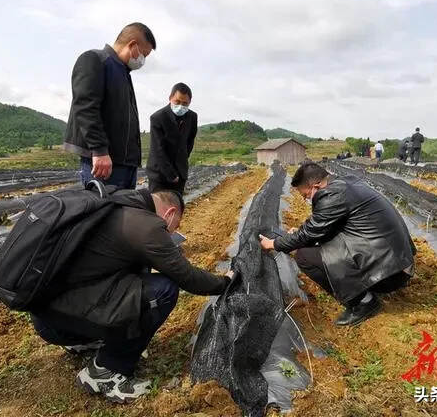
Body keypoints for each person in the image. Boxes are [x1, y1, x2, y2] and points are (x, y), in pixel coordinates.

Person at [29, 189, 233, 403]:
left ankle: (82, 338)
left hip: (46, 317)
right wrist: (225, 282)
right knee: (164, 290)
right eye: (175, 226)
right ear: (170, 213)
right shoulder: (147, 227)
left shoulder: (119, 203)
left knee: (135, 279)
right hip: (62, 317)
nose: (172, 232)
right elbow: (188, 278)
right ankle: (106, 371)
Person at [259, 163, 415, 326]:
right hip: (399, 263)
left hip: (390, 275)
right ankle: (363, 290)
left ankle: (364, 302)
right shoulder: (347, 184)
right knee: (315, 244)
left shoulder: (332, 195)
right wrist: (302, 235)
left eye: (306, 195)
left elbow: (309, 234)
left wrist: (274, 243)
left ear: (316, 185)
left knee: (304, 256)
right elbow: (321, 229)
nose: (306, 199)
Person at [64, 23, 157, 189]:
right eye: (144, 54)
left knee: (125, 212)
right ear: (132, 45)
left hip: (125, 165)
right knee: (105, 212)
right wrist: (99, 150)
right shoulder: (95, 60)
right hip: (105, 163)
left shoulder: (122, 72)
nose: (143, 60)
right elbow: (86, 107)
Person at [146, 83, 198, 194]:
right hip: (159, 174)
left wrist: (181, 161)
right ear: (170, 98)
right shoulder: (158, 117)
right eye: (177, 102)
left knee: (177, 207)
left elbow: (189, 142)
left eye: (185, 104)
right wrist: (171, 174)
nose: (181, 106)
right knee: (158, 208)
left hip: (180, 172)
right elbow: (158, 150)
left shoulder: (192, 117)